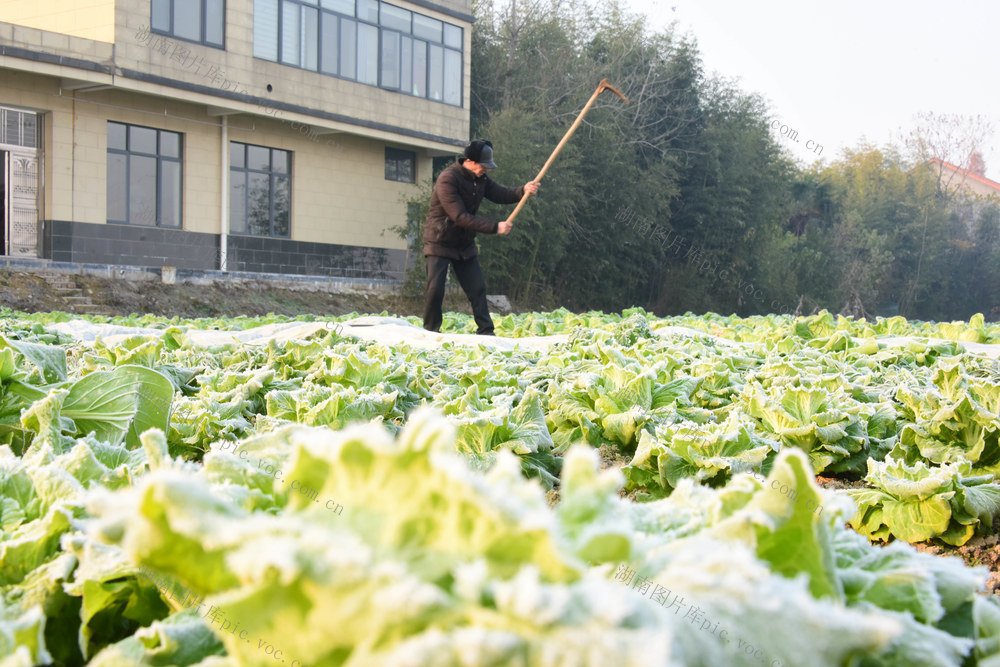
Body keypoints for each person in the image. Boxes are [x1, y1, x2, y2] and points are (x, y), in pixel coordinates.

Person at [422, 140, 540, 335]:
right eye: (483, 166)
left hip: (464, 243)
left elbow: (501, 194)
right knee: (435, 290)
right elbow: (459, 216)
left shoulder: (481, 179)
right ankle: (430, 331)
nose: (486, 170)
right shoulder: (448, 179)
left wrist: (523, 190)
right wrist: (495, 227)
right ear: (470, 161)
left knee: (477, 288)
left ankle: (486, 331)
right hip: (439, 240)